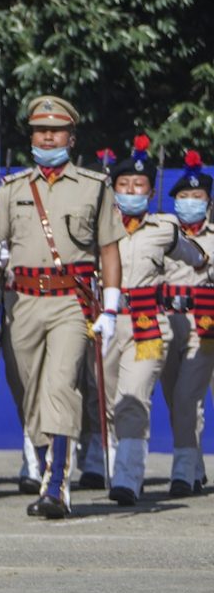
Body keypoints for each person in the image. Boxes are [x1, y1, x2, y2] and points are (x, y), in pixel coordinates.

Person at [0, 95, 123, 519]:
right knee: (29, 395)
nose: (48, 136)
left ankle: (56, 489)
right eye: (40, 130)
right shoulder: (11, 189)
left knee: (61, 387)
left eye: (57, 130)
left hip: (71, 301)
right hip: (21, 301)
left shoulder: (93, 186)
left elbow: (109, 250)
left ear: (71, 136)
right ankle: (51, 463)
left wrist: (112, 308)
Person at [94, 139, 206, 505]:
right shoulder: (94, 230)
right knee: (108, 402)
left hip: (148, 325)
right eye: (124, 185)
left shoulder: (164, 229)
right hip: (108, 324)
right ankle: (115, 470)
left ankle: (128, 479)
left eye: (138, 186)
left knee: (134, 399)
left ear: (151, 191)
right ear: (113, 189)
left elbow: (196, 257)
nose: (131, 192)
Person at [161, 150, 214, 496]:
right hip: (165, 323)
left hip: (203, 325)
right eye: (184, 197)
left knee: (186, 396)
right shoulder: (161, 232)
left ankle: (182, 471)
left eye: (197, 197)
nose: (190, 203)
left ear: (208, 202)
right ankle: (194, 465)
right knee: (174, 399)